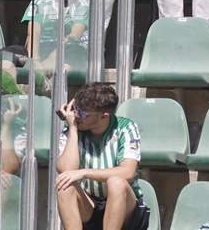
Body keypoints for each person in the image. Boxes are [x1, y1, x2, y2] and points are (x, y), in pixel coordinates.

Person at [53, 83, 149, 230]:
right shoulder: (73, 125)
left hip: (126, 209)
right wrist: (73, 130)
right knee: (64, 185)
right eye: (76, 109)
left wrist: (84, 172)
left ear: (104, 116)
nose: (75, 115)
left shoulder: (126, 128)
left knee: (116, 183)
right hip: (90, 204)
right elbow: (66, 170)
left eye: (83, 113)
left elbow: (127, 173)